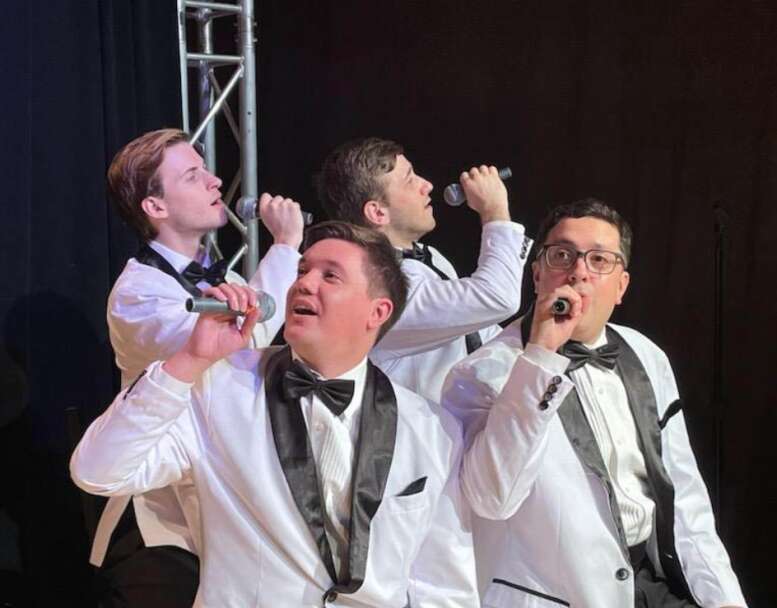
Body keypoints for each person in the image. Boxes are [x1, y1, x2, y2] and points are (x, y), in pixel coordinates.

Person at [71, 221, 479, 607]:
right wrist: (190, 359)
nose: (304, 283)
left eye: (330, 276)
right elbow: (98, 472)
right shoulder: (220, 386)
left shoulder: (431, 428)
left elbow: (443, 583)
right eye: (302, 270)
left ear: (378, 312)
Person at [442, 199, 747, 607]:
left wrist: (723, 599)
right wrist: (540, 358)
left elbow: (685, 496)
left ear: (621, 286)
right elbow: (490, 498)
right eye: (562, 255)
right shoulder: (481, 372)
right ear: (537, 274)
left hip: (650, 582)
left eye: (599, 259)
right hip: (558, 593)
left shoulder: (646, 355)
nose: (579, 271)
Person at [92, 128, 304, 606]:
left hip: (225, 500)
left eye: (205, 170)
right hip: (164, 525)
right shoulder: (138, 294)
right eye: (192, 175)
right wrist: (286, 245)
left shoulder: (221, 274)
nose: (215, 182)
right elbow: (233, 343)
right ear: (155, 206)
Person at [315, 137, 531, 402]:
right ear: (378, 212)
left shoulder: (431, 257)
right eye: (410, 180)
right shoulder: (378, 285)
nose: (427, 185)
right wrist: (494, 210)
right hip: (422, 426)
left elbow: (480, 330)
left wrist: (542, 329)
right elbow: (498, 297)